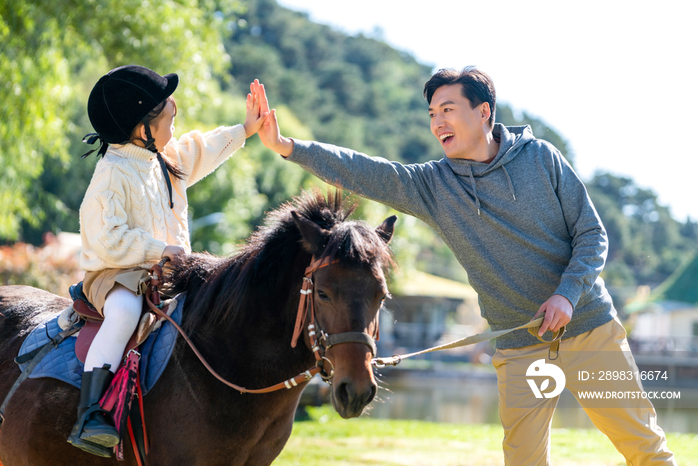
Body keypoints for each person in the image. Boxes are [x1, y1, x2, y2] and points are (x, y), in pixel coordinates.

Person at [256, 68, 677, 465]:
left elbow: (592, 234)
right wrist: (287, 146)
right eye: (432, 114)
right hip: (521, 344)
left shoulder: (541, 159)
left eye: (448, 110)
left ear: (483, 112)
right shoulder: (433, 186)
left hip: (588, 328)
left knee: (642, 445)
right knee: (524, 459)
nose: (438, 122)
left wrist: (566, 294)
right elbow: (367, 171)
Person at [68, 65, 267, 457]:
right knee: (124, 313)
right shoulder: (111, 173)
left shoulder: (163, 159)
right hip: (115, 273)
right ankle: (90, 414)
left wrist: (245, 129)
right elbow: (107, 238)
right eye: (166, 114)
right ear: (141, 128)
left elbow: (201, 149)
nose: (174, 117)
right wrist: (157, 248)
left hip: (165, 274)